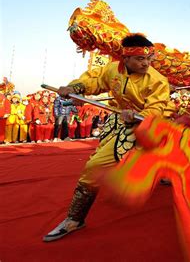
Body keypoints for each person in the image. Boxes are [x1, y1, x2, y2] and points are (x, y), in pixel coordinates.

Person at [43, 33, 172, 242]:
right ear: (126, 58)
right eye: (141, 59)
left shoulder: (158, 81)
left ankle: (163, 167)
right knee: (94, 167)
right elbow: (93, 81)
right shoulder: (112, 70)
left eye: (149, 59)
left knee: (156, 159)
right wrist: (75, 88)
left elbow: (156, 109)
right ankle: (74, 219)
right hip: (121, 122)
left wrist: (138, 116)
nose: (146, 63)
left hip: (146, 123)